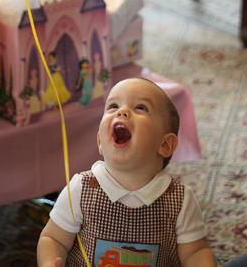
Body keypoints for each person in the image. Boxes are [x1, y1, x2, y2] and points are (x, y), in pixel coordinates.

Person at [37, 77, 217, 267]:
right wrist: (50, 263)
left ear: (165, 144)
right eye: (113, 106)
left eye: (140, 108)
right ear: (99, 141)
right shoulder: (81, 189)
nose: (122, 111)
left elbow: (195, 252)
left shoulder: (180, 201)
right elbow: (53, 239)